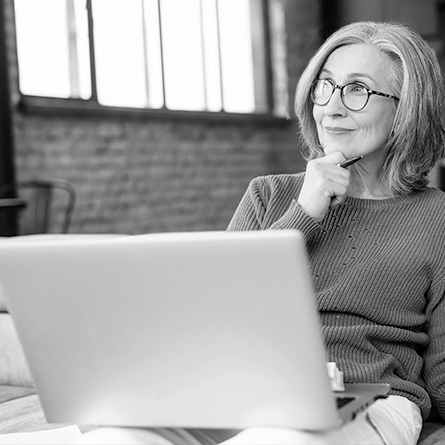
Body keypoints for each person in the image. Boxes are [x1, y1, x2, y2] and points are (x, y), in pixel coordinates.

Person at [77, 21, 445, 445]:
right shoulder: (269, 195)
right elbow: (218, 315)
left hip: (367, 397)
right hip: (244, 390)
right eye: (324, 86)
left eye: (357, 89)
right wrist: (304, 212)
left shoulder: (436, 220)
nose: (332, 107)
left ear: (405, 111)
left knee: (276, 438)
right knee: (117, 434)